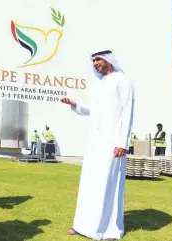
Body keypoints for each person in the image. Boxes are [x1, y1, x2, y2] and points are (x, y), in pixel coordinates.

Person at [61, 50, 135, 240]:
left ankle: (110, 230)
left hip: (113, 143)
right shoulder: (98, 84)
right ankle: (83, 226)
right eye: (93, 60)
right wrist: (75, 104)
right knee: (89, 184)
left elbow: (127, 112)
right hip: (95, 142)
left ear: (109, 60)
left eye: (98, 60)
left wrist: (122, 142)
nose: (95, 63)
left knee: (110, 184)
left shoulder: (122, 80)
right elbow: (93, 111)